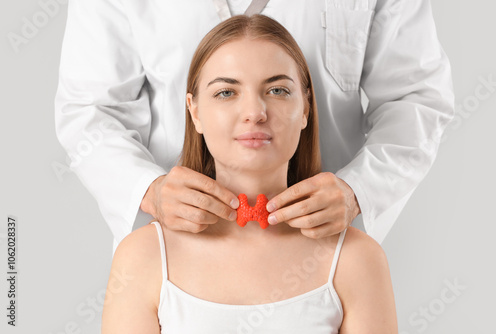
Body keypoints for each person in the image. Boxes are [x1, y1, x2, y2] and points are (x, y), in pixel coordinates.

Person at [54, 0, 455, 253]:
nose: (254, 114)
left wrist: (359, 190)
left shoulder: (355, 271)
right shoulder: (143, 265)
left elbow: (415, 96)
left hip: (322, 250)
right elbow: (92, 108)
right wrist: (147, 190)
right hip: (177, 248)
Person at [101, 14, 398, 333]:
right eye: (226, 93)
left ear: (306, 109)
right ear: (195, 112)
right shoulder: (142, 258)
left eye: (278, 90)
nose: (255, 113)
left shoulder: (357, 259)